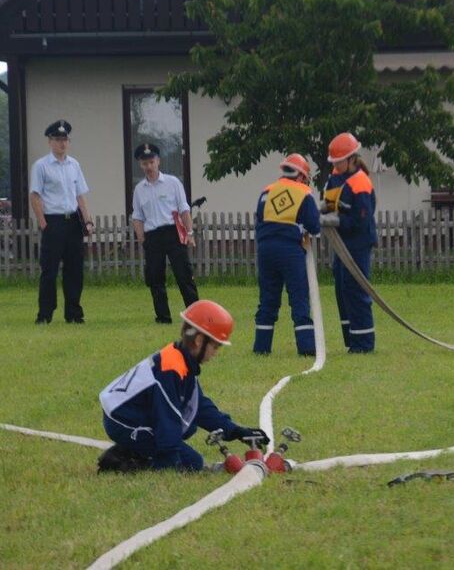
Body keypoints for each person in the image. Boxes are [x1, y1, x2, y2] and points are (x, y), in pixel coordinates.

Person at [98, 300, 269, 472]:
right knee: (191, 463)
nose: (216, 353)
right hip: (122, 420)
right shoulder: (171, 369)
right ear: (199, 340)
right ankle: (118, 462)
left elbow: (199, 407)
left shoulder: (182, 361)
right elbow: (167, 418)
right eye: (215, 346)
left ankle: (133, 450)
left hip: (135, 415)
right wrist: (171, 463)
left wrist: (237, 431)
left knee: (189, 451)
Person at [253, 154, 320, 355]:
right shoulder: (304, 193)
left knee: (268, 299)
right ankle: (307, 348)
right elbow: (315, 227)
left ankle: (261, 348)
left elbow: (259, 219)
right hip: (290, 250)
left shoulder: (266, 192)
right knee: (299, 297)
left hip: (265, 249)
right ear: (301, 175)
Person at [30, 120, 93, 324]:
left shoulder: (74, 165)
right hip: (53, 221)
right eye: (58, 139)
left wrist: (88, 220)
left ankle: (74, 313)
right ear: (50, 142)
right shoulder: (41, 166)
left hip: (73, 221)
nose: (62, 143)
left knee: (74, 269)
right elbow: (35, 196)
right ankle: (45, 314)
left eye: (65, 139)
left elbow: (80, 196)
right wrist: (43, 223)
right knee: (50, 270)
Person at [321, 133, 377, 353]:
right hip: (343, 244)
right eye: (333, 162)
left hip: (358, 243)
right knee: (342, 290)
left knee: (356, 291)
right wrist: (318, 209)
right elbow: (329, 201)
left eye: (338, 161)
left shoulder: (361, 183)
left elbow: (358, 220)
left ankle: (363, 344)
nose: (335, 165)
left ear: (352, 158)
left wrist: (332, 220)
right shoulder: (337, 175)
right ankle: (351, 341)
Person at [131, 143, 199, 324]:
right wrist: (142, 239)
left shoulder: (172, 182)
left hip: (173, 233)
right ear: (140, 165)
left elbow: (184, 209)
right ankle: (163, 316)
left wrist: (190, 232)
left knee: (184, 275)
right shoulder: (139, 189)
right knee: (155, 278)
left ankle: (195, 315)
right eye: (144, 163)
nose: (149, 166)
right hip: (152, 236)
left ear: (158, 161)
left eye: (152, 162)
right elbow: (137, 216)